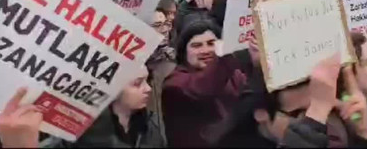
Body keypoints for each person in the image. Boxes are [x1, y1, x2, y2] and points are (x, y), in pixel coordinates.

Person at [161, 20, 246, 147]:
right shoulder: (174, 83)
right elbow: (203, 88)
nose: (206, 50)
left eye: (211, 43)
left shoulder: (234, 75)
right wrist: (228, 56)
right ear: (184, 51)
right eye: (197, 45)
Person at [51, 67, 165, 148]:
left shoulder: (151, 121)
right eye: (138, 83)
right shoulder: (83, 128)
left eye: (147, 81)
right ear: (114, 88)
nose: (148, 88)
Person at [146, 9, 177, 142]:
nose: (165, 30)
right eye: (158, 25)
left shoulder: (175, 59)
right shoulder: (133, 66)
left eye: (167, 24)